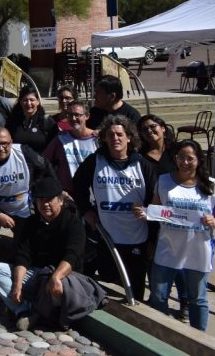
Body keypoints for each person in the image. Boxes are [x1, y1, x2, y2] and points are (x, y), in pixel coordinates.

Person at [0, 177, 104, 331]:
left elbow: (72, 256)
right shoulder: (32, 222)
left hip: (63, 275)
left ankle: (38, 312)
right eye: (40, 200)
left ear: (60, 201)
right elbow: (23, 256)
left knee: (58, 286)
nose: (45, 204)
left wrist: (56, 276)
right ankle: (25, 309)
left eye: (50, 200)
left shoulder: (73, 224)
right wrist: (17, 285)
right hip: (37, 274)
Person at [72, 115, 157, 302]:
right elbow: (77, 186)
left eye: (120, 134)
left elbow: (154, 201)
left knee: (135, 290)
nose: (115, 139)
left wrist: (152, 238)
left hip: (137, 237)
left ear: (129, 137)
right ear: (104, 138)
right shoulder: (95, 161)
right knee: (108, 277)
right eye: (110, 135)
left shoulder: (142, 165)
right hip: (107, 235)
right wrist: (86, 210)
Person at [146, 140, 215, 331]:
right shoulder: (164, 181)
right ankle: (162, 334)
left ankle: (199, 340)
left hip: (198, 253)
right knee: (158, 296)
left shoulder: (212, 185)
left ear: (198, 160)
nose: (185, 162)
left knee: (197, 299)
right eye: (180, 157)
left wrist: (214, 221)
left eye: (190, 158)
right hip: (168, 250)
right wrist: (147, 213)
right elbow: (154, 210)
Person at [0, 127, 54, 283]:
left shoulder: (24, 153)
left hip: (21, 207)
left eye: (5, 144)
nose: (1, 148)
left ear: (11, 142)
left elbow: (46, 168)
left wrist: (52, 191)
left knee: (24, 250)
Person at [42, 101, 98, 195]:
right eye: (70, 115)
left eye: (77, 115)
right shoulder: (60, 138)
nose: (73, 118)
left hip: (92, 191)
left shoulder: (97, 139)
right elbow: (45, 161)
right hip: (67, 193)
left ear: (87, 116)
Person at [5, 86, 59, 153]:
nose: (28, 103)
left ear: (38, 101)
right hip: (18, 162)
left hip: (42, 162)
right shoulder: (12, 121)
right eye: (25, 100)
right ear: (20, 102)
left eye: (32, 100)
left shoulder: (47, 121)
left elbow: (56, 147)